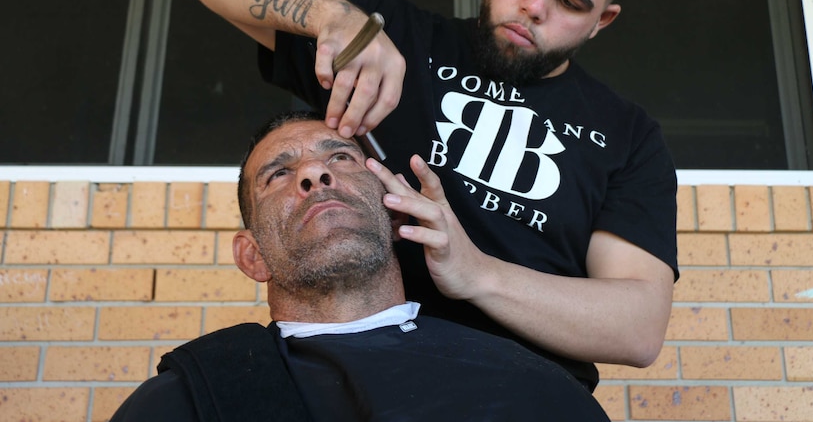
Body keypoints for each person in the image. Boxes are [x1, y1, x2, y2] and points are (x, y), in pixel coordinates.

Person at [178, 0, 678, 391]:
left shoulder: (628, 135)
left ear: (604, 19)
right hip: (357, 379)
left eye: (571, 2)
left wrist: (477, 274)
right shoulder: (396, 37)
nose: (534, 6)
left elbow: (638, 329)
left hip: (525, 397)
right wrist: (334, 17)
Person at [109, 111, 611, 421]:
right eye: (279, 173)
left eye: (342, 158)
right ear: (252, 255)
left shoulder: (532, 388)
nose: (313, 172)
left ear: (397, 214)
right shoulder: (183, 402)